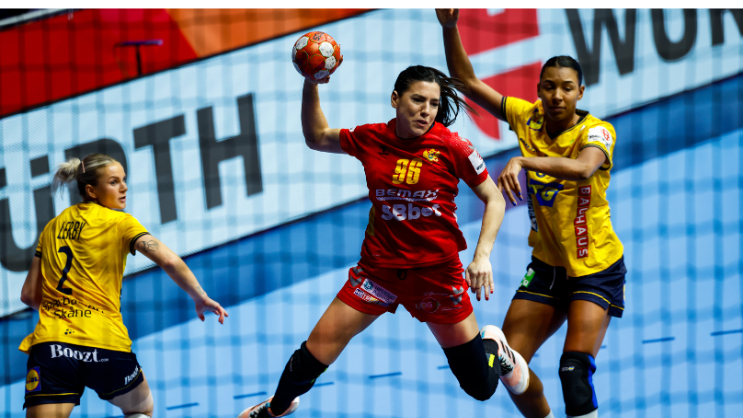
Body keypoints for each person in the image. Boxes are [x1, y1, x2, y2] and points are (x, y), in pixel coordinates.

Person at [237, 65, 531, 418]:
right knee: (310, 357)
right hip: (378, 272)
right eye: (418, 100)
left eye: (433, 104)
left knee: (479, 387)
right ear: (395, 99)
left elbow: (494, 198)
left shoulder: (452, 146)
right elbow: (316, 137)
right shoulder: (371, 138)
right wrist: (311, 83)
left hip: (437, 275)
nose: (426, 111)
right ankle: (275, 409)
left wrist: (482, 256)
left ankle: (493, 345)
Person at [437, 9, 627, 418]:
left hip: (596, 267)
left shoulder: (597, 131)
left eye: (567, 88)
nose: (557, 96)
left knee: (573, 372)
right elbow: (466, 82)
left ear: (581, 92)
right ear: (538, 89)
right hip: (546, 268)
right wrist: (449, 28)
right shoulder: (528, 118)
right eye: (549, 87)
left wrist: (523, 161)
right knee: (507, 367)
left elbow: (583, 168)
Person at [19, 153, 228, 418]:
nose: (124, 187)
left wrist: (63, 312)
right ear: (91, 190)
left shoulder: (52, 227)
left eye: (123, 180)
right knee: (141, 409)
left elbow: (28, 294)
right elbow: (168, 260)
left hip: (52, 346)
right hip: (104, 343)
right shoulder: (120, 222)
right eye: (114, 182)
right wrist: (201, 297)